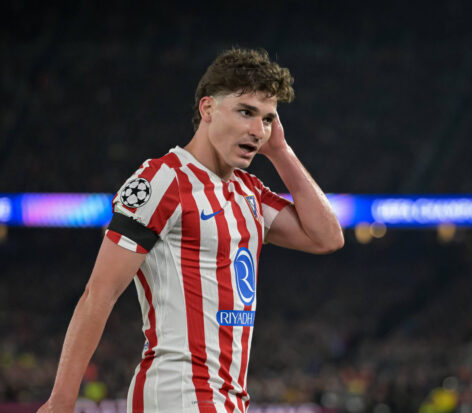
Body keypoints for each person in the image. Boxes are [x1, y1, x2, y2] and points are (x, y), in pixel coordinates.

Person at [38, 48, 344, 413]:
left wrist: (280, 151)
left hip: (227, 399)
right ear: (208, 109)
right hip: (179, 394)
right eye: (246, 112)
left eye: (267, 119)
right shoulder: (161, 182)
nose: (256, 130)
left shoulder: (249, 191)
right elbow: (98, 293)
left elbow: (327, 237)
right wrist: (61, 400)